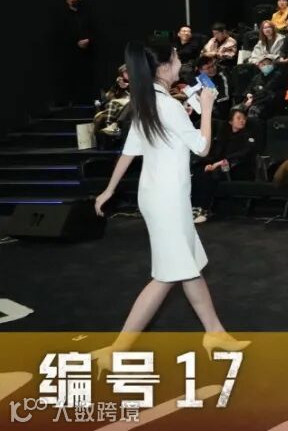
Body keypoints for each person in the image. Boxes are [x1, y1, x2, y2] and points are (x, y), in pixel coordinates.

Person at [92, 39, 247, 365]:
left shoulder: (149, 101)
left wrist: (109, 189)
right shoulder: (168, 105)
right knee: (167, 275)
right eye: (176, 57)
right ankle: (118, 348)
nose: (180, 61)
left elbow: (130, 151)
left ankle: (215, 332)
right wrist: (207, 108)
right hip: (168, 199)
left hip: (157, 195)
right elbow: (202, 147)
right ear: (163, 66)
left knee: (188, 265)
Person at [190, 108, 258, 222]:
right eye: (239, 118)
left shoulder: (248, 136)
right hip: (220, 165)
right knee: (200, 171)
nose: (242, 121)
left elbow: (245, 153)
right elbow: (216, 154)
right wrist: (210, 164)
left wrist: (220, 163)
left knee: (213, 174)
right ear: (231, 121)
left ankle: (205, 209)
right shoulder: (224, 136)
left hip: (238, 167)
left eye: (244, 119)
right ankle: (195, 207)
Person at [57, 0, 94, 105]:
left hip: (86, 54)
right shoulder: (62, 16)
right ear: (67, 1)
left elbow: (94, 31)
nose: (76, 1)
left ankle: (85, 100)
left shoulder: (86, 15)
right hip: (69, 54)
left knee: (85, 78)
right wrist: (75, 43)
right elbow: (59, 35)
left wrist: (88, 40)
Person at [241, 56, 288, 120]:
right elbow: (249, 88)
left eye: (269, 63)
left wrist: (252, 100)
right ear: (259, 66)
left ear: (273, 65)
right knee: (238, 110)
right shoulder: (257, 77)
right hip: (256, 100)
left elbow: (266, 91)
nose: (266, 66)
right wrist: (248, 94)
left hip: (272, 102)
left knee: (253, 110)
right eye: (263, 64)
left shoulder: (277, 75)